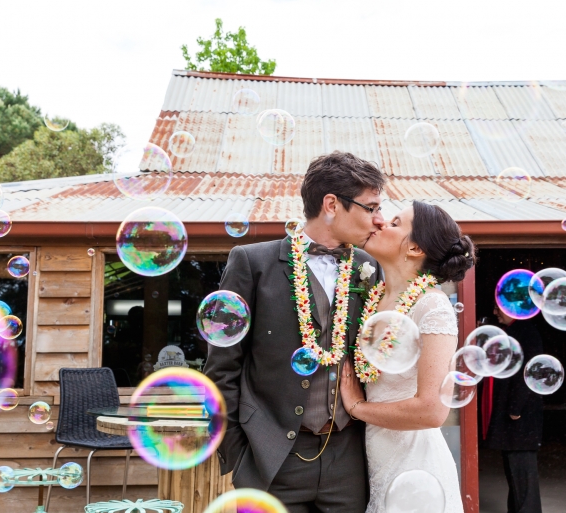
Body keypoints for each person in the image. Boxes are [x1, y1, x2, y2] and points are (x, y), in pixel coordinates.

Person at [205, 151, 387, 512]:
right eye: (371, 207)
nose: (379, 220)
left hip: (348, 459)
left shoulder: (368, 269)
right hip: (271, 457)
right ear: (332, 204)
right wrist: (239, 453)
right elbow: (221, 366)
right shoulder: (252, 263)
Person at [339, 200, 476, 513]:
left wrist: (357, 407)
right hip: (375, 459)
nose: (381, 222)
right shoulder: (375, 299)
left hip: (417, 470)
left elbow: (432, 411)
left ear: (414, 248)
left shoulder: (432, 306)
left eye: (396, 222)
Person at [481, 304, 544, 513]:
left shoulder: (526, 332)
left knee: (522, 472)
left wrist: (516, 407)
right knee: (514, 471)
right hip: (515, 414)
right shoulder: (515, 331)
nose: (494, 312)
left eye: (498, 308)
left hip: (520, 416)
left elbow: (530, 372)